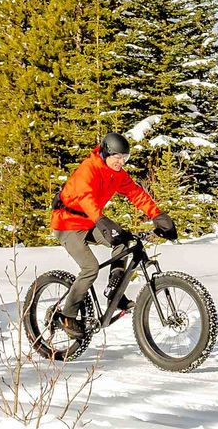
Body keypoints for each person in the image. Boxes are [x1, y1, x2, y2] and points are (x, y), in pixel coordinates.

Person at [50, 132, 176, 326]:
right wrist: (101, 220)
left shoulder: (116, 173)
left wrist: (157, 216)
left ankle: (114, 293)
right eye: (117, 157)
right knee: (90, 268)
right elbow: (86, 198)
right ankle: (67, 316)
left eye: (124, 158)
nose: (121, 162)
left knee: (125, 242)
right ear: (106, 153)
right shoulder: (88, 169)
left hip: (89, 223)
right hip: (67, 224)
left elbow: (135, 193)